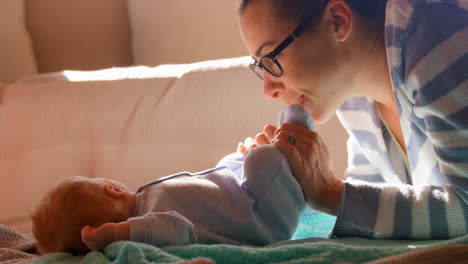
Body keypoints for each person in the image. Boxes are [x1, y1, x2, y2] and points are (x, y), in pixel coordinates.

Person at [237, 0, 468, 239]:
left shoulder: (434, 36)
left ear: (337, 21)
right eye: (260, 66)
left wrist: (330, 193)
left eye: (272, 57)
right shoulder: (352, 98)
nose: (268, 89)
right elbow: (375, 217)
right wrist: (290, 183)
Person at [31, 104, 314, 254]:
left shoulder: (148, 203)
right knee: (262, 158)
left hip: (244, 199)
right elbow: (178, 229)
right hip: (264, 219)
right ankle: (297, 131)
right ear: (113, 189)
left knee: (229, 164)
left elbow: (208, 189)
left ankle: (268, 153)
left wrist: (236, 165)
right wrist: (118, 234)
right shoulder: (151, 224)